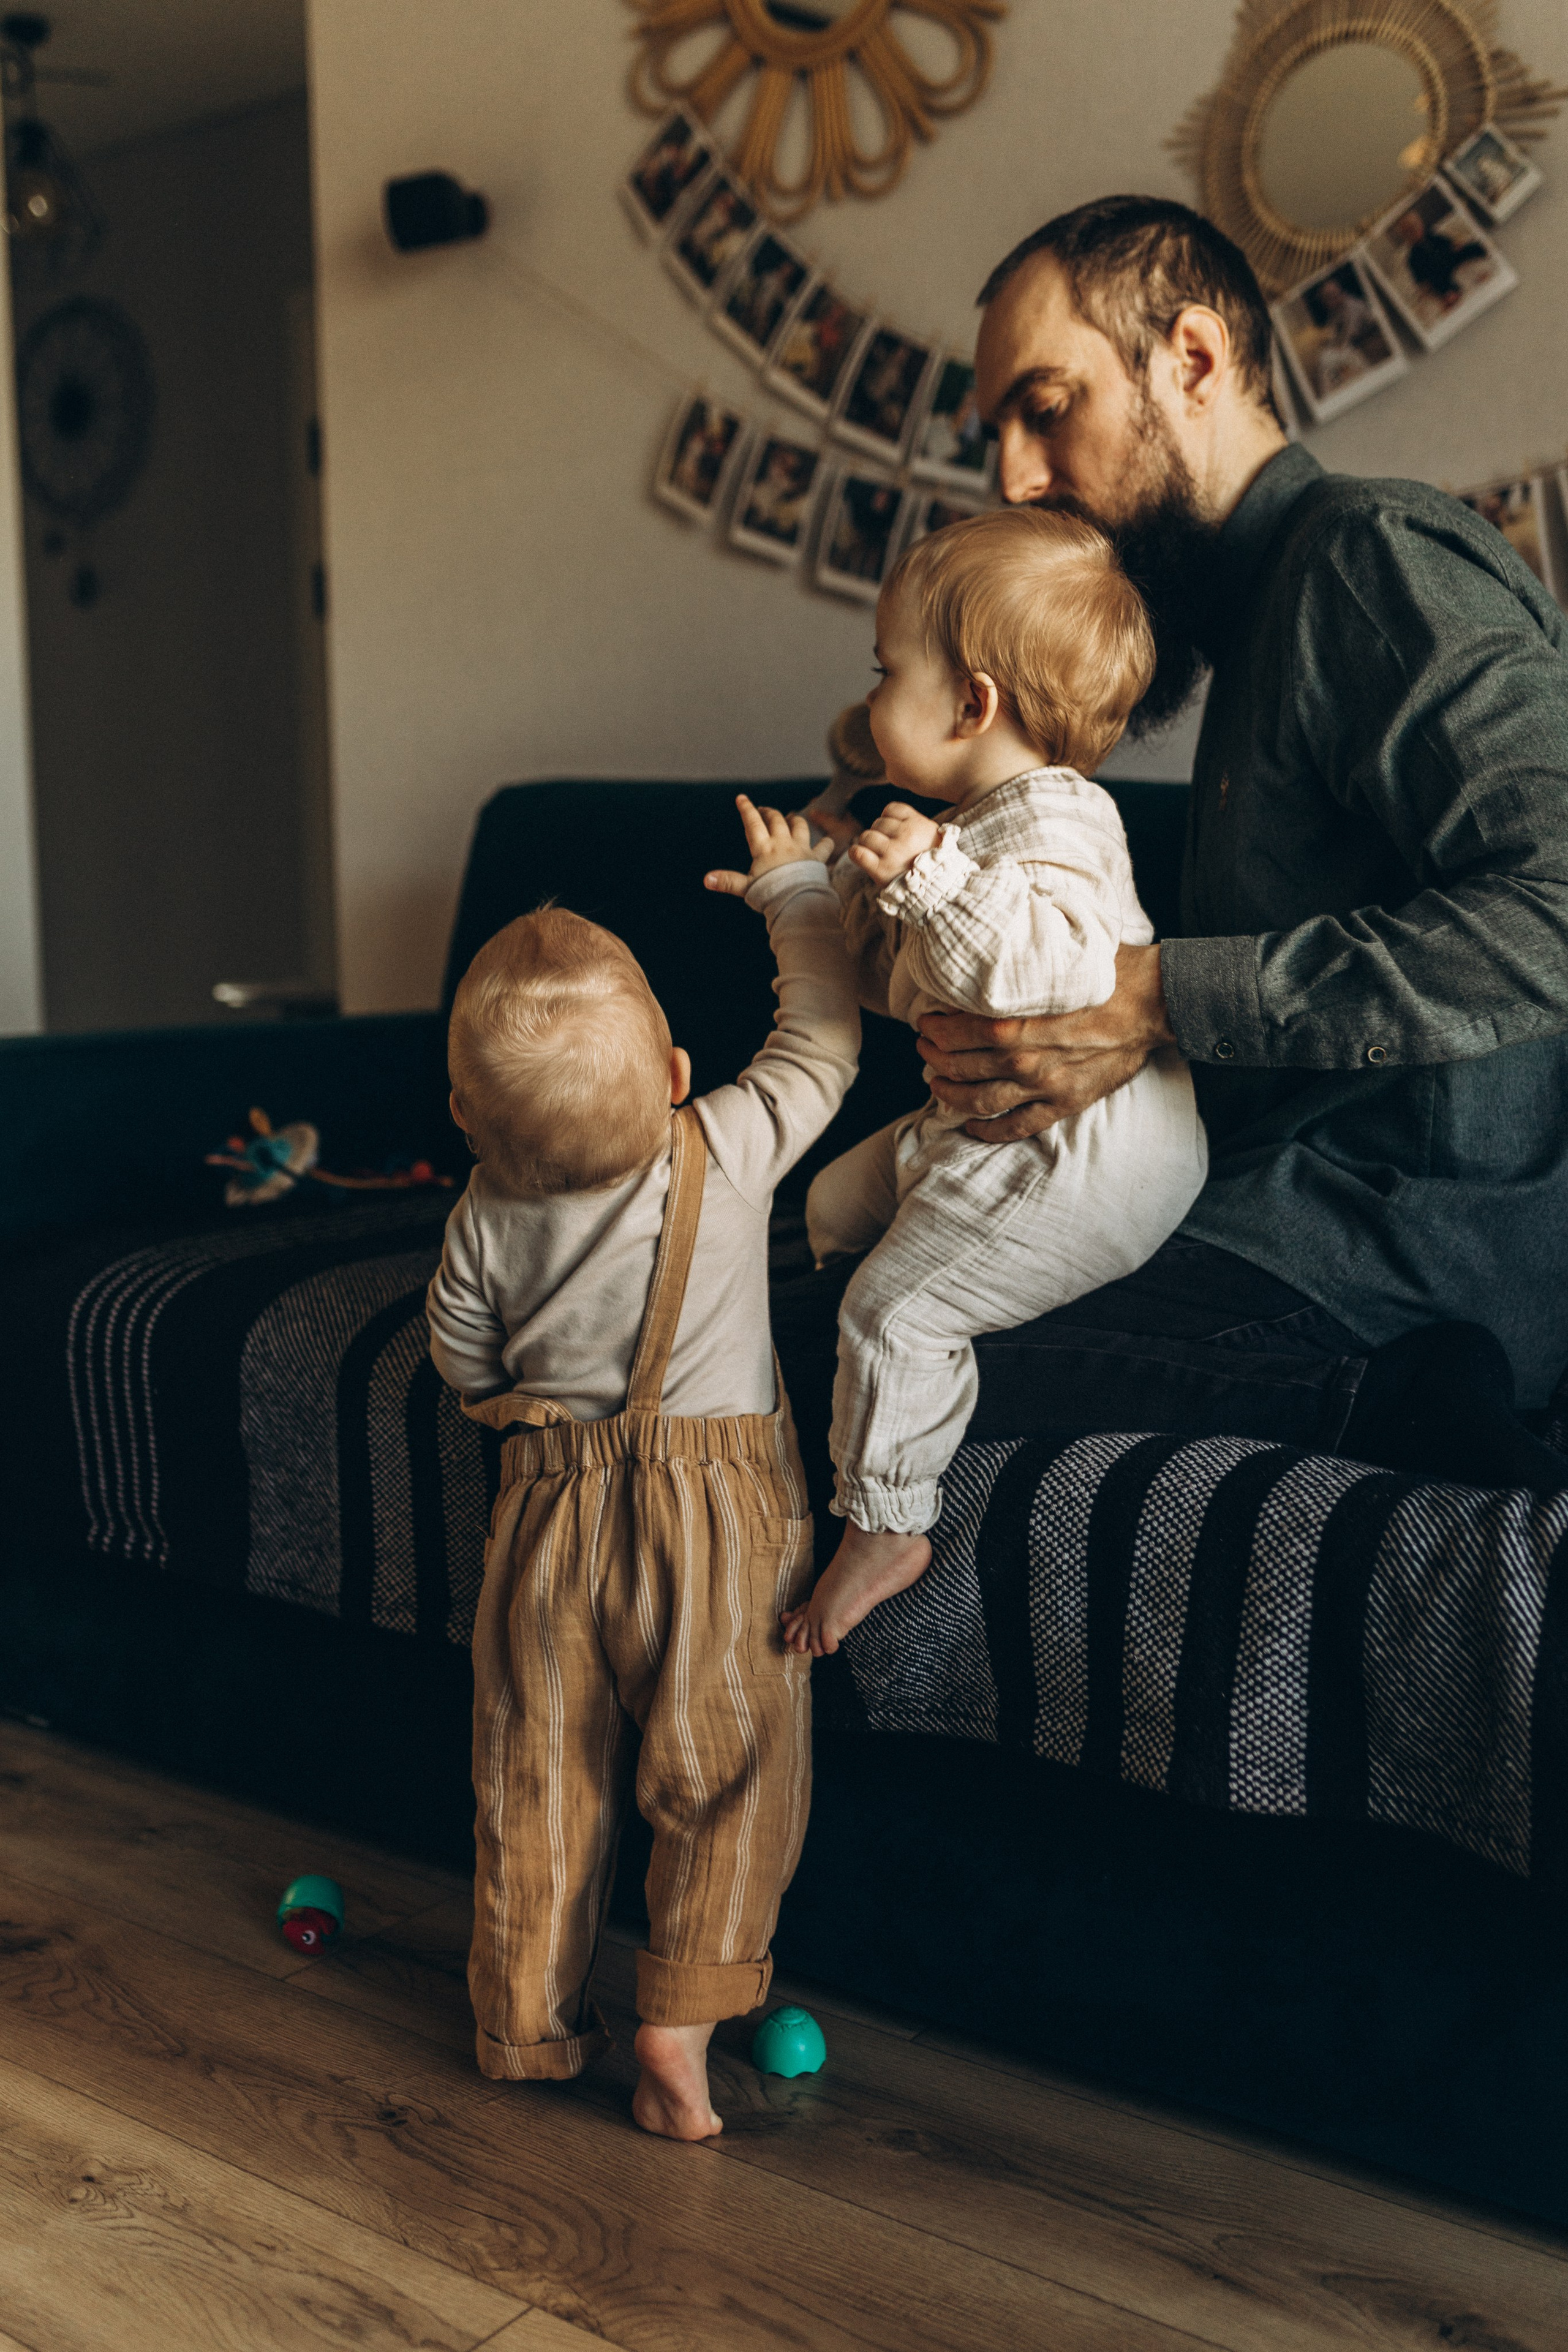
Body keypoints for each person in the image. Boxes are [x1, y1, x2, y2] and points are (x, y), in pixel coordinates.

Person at [889, 192, 1568, 1490]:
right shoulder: (1249, 618)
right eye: (999, 435)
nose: (1014, 480)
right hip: (1261, 1228)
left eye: (1045, 408)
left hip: (1388, 1272)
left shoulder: (1365, 561)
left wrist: (1150, 997)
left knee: (809, 1381)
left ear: (1190, 362)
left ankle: (1411, 1410)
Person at [426, 800, 858, 2139]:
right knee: (726, 1768)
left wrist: (524, 1402)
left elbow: (458, 1357)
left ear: (463, 1119)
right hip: (714, 1530)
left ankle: (525, 2024)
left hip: (549, 1526)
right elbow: (823, 1042)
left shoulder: (483, 1215)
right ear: (674, 1070)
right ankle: (675, 2027)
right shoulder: (725, 1149)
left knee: (538, 1776)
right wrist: (792, 895)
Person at [785, 507, 1207, 1653]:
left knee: (894, 1310)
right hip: (984, 1126)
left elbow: (1054, 970)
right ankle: (862, 1352)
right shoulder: (962, 827)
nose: (871, 699)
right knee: (831, 1205)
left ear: (971, 703)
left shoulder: (1063, 819)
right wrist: (813, 889)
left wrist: (928, 876)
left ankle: (886, 1521)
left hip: (1087, 1154)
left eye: (885, 672)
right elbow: (901, 983)